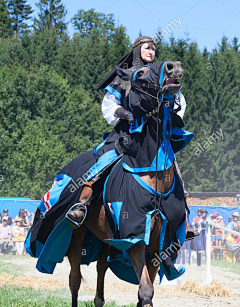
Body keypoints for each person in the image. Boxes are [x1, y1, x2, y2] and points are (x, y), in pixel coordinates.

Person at [67, 35, 198, 240]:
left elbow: (179, 100)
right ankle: (83, 204)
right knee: (106, 159)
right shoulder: (123, 77)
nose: (151, 52)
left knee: (174, 168)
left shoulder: (160, 76)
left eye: (154, 49)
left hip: (154, 136)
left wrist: (171, 115)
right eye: (147, 48)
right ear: (137, 50)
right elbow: (108, 106)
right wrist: (127, 115)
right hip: (126, 133)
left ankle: (184, 216)